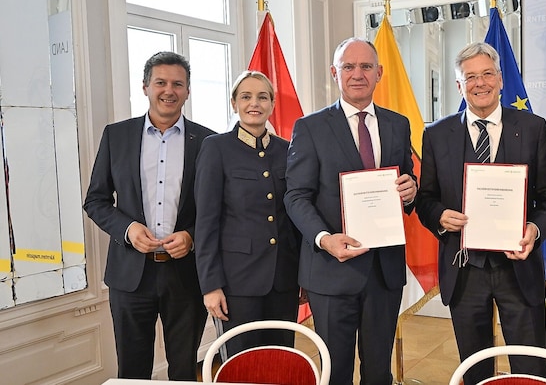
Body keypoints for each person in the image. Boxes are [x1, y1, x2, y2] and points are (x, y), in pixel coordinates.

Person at [415, 42, 546, 385]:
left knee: (529, 369)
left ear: (500, 79)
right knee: (475, 370)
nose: (479, 83)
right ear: (459, 86)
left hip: (519, 267)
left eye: (486, 74)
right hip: (464, 269)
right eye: (470, 77)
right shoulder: (436, 134)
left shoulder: (532, 127)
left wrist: (534, 229)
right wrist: (438, 216)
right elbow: (425, 198)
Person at [284, 37, 417, 385]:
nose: (357, 74)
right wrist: (324, 239)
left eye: (365, 66)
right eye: (348, 66)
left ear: (379, 73)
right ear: (334, 73)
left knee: (378, 372)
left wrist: (410, 189)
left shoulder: (398, 124)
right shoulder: (310, 127)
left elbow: (407, 181)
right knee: (335, 372)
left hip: (383, 271)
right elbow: (296, 196)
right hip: (330, 270)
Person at [83, 51, 215, 380]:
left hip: (186, 275)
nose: (168, 90)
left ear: (187, 91)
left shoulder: (209, 141)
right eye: (160, 82)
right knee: (132, 369)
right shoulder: (117, 136)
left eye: (177, 84)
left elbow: (219, 208)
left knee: (184, 369)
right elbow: (96, 200)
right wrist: (127, 229)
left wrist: (192, 236)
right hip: (130, 277)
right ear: (145, 87)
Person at [194, 70, 301, 356]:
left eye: (262, 97)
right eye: (246, 96)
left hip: (283, 279)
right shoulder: (216, 148)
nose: (254, 103)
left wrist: (302, 275)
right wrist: (211, 285)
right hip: (236, 283)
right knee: (242, 365)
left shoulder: (287, 150)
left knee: (281, 361)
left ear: (272, 104)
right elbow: (205, 222)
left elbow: (293, 217)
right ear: (234, 103)